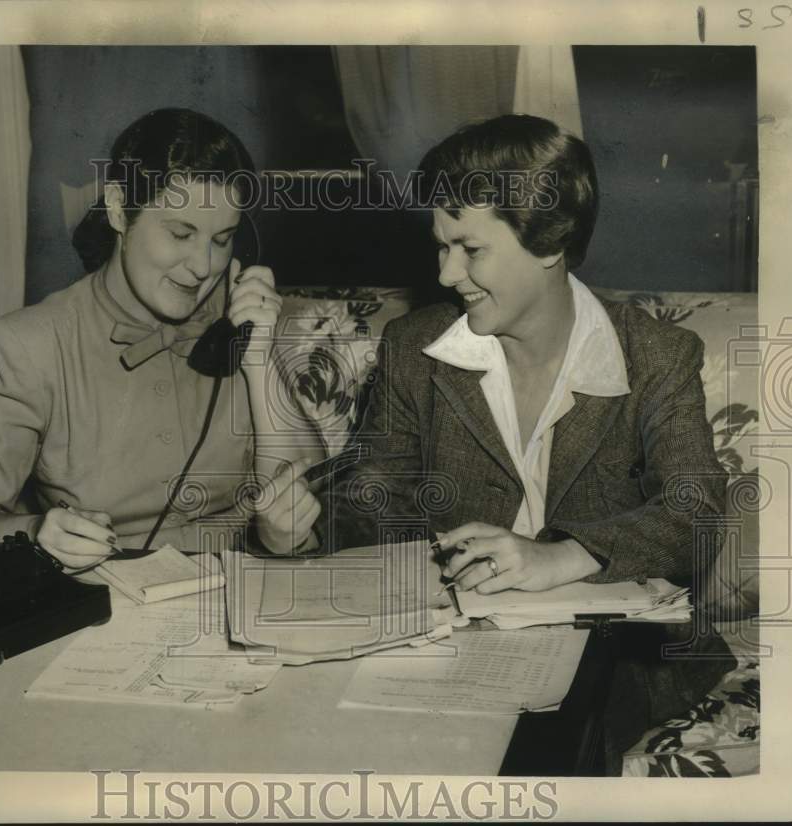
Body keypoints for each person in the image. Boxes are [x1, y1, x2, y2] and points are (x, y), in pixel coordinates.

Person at [303, 114, 733, 772]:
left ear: (549, 239)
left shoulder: (656, 355)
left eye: (470, 249)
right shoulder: (414, 348)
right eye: (440, 246)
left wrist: (559, 558)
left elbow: (695, 505)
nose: (447, 274)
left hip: (614, 663)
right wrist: (308, 524)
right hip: (449, 649)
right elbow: (372, 498)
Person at [0, 108, 324, 571]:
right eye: (180, 233)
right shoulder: (30, 345)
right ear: (117, 209)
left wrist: (259, 360)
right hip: (108, 606)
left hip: (248, 588)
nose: (203, 266)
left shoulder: (241, 319)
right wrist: (32, 533)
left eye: (222, 239)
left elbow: (306, 497)